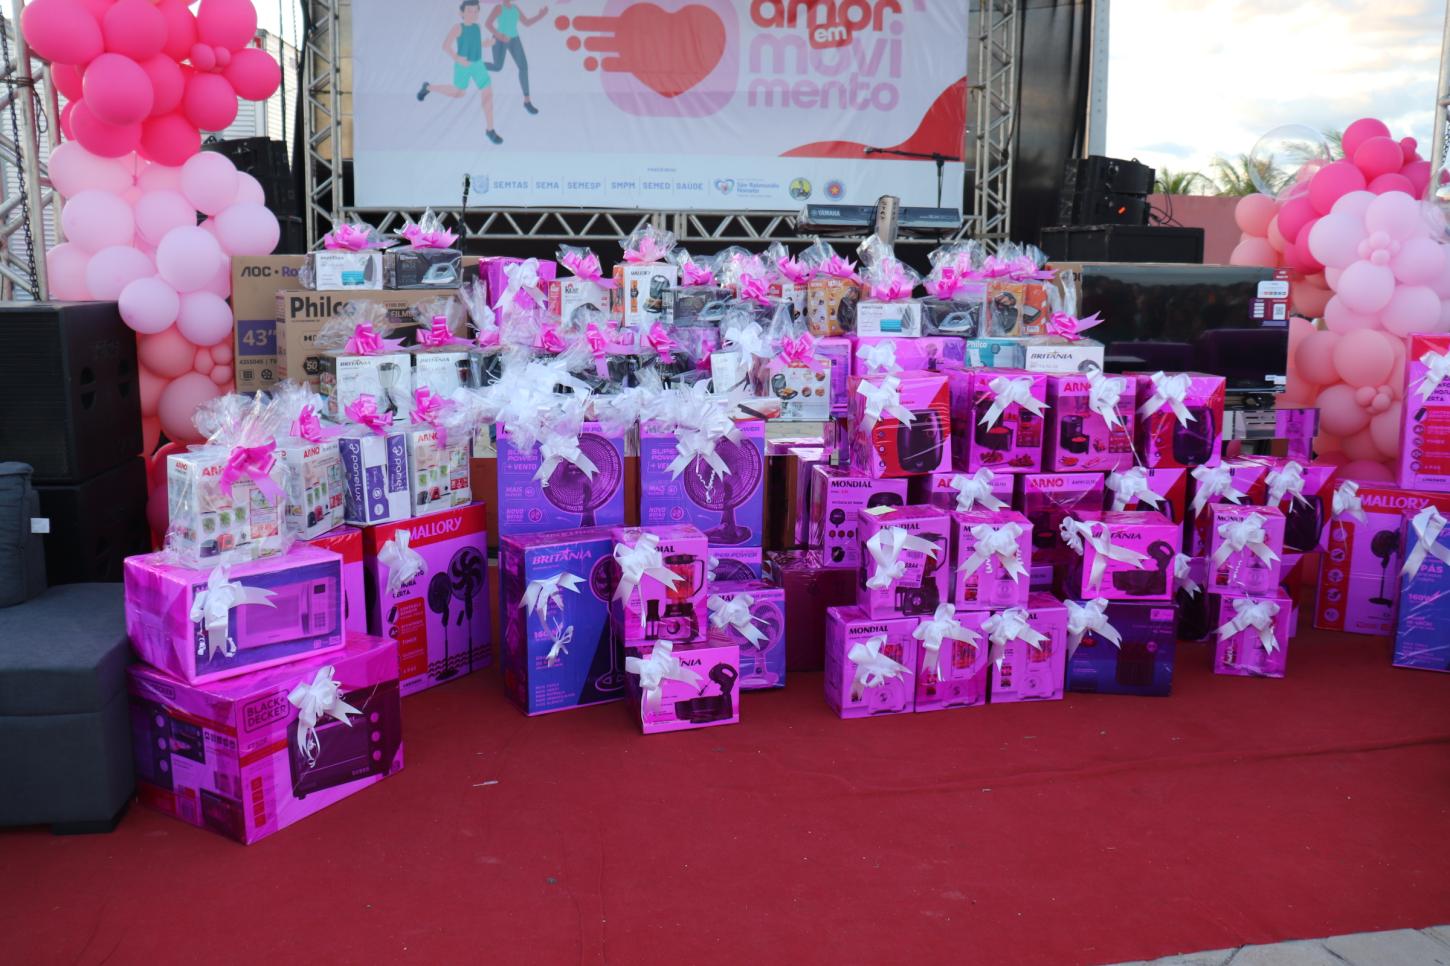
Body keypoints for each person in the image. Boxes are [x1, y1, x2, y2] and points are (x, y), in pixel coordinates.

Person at [417, 0, 504, 145]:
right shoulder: (458, 27)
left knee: (487, 93)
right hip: (462, 64)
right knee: (459, 93)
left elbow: (475, 44)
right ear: (461, 13)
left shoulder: (477, 27)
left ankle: (490, 130)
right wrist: (457, 58)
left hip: (478, 64)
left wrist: (486, 44)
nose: (473, 14)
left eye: (476, 11)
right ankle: (428, 87)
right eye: (469, 11)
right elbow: (446, 46)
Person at [485, 0, 548, 115]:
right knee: (497, 67)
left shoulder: (515, 8)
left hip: (514, 39)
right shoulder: (499, 8)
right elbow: (488, 24)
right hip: (499, 39)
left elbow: (526, 23)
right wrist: (500, 36)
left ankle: (527, 101)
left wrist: (540, 16)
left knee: (523, 67)